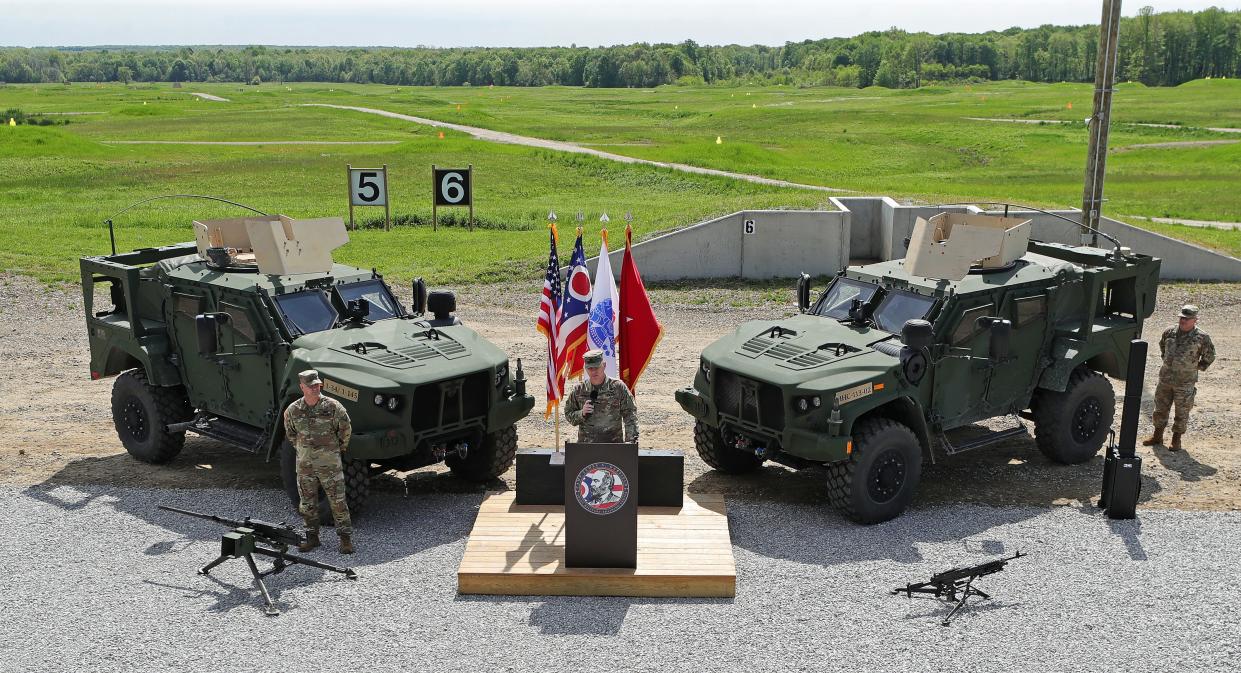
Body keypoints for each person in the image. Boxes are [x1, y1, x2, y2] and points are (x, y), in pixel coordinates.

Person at [284, 369, 355, 554]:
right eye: (311, 386)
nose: (316, 388)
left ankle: (345, 539)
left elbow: (345, 431)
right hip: (305, 466)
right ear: (302, 387)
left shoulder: (333, 407)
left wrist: (335, 451)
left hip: (329, 464)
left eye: (317, 385)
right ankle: (312, 538)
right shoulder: (293, 410)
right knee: (307, 503)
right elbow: (291, 435)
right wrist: (304, 451)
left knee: (338, 501)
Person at [1143, 304, 1215, 452]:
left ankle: (1176, 440)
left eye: (1187, 319)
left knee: (1182, 411)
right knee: (1160, 408)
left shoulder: (1202, 337)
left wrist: (1196, 367)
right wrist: (1167, 361)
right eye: (1182, 317)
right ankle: (1157, 436)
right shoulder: (1169, 332)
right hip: (1165, 379)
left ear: (1195, 320)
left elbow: (1210, 356)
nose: (1183, 321)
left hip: (1185, 382)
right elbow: (1163, 347)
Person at [564, 349, 639, 444]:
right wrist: (581, 413)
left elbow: (630, 414)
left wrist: (631, 441)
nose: (593, 371)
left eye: (596, 367)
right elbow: (568, 414)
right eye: (590, 368)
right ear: (586, 368)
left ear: (604, 365)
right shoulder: (579, 390)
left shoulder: (618, 387)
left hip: (613, 446)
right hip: (586, 447)